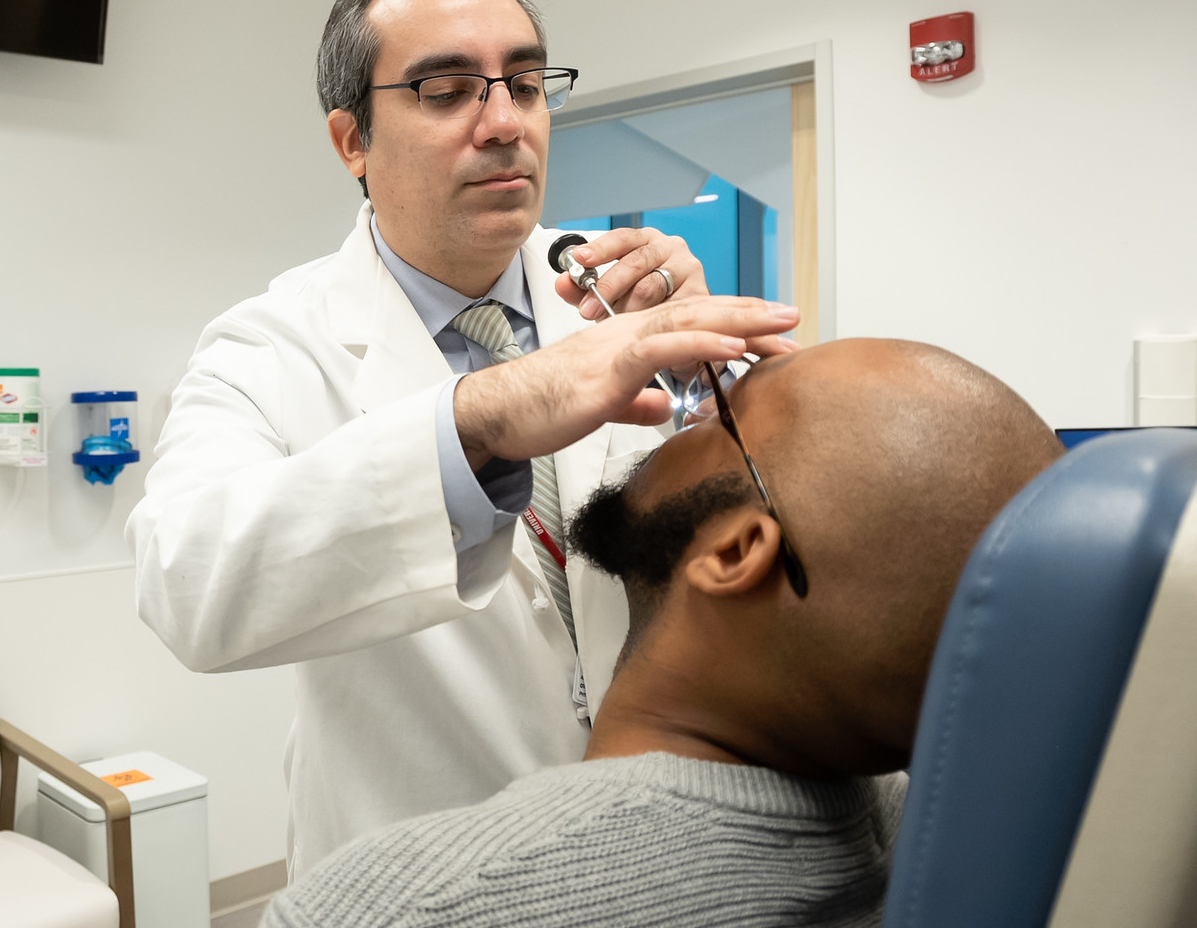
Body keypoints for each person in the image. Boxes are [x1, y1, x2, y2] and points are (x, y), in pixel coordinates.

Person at [128, 0, 799, 873]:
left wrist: (725, 395)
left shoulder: (619, 296)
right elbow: (185, 586)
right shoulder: (269, 345)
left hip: (656, 849)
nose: (504, 122)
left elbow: (763, 539)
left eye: (525, 85)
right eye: (447, 91)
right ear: (351, 140)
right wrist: (477, 419)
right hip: (421, 867)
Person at [260, 338, 1066, 928]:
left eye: (732, 411)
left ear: (737, 549)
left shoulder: (391, 908)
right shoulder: (916, 838)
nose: (695, 408)